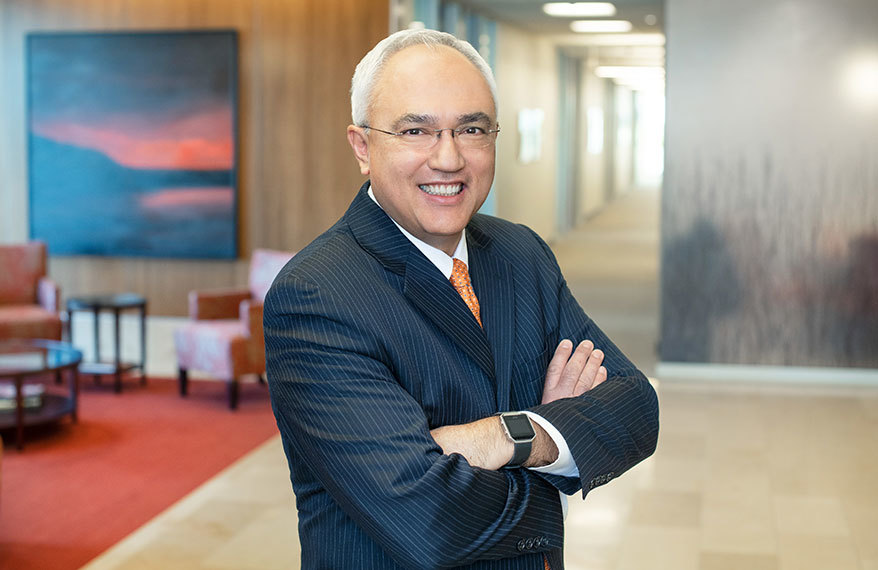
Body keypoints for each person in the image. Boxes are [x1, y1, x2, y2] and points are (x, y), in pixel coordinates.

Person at [264, 28, 659, 570]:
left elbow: (636, 405)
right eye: (415, 131)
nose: (448, 159)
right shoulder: (317, 296)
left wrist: (506, 436)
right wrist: (557, 443)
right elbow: (426, 520)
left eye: (471, 129)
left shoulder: (521, 253)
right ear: (362, 146)